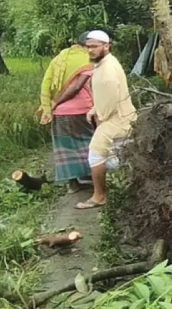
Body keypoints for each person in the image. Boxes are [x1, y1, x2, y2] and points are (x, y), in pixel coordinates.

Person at [76, 30, 137, 210]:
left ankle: (99, 196)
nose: (90, 50)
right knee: (121, 155)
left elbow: (111, 96)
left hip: (115, 119)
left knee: (96, 154)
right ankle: (133, 189)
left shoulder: (107, 68)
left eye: (94, 46)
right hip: (120, 117)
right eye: (88, 47)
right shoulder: (103, 63)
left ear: (106, 46)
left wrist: (101, 117)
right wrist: (94, 109)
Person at [38, 32, 95, 194]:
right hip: (81, 110)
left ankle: (73, 184)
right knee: (89, 143)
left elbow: (46, 83)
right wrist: (57, 101)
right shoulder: (86, 59)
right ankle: (94, 178)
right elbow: (76, 87)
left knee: (66, 146)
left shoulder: (60, 58)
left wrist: (50, 105)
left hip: (60, 113)